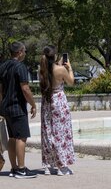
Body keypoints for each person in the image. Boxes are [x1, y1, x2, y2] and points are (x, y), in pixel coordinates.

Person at [0, 41, 37, 178]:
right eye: (25, 51)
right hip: (17, 107)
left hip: (5, 108)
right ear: (20, 52)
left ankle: (14, 168)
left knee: (12, 137)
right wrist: (33, 104)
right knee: (21, 137)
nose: (25, 54)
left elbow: (0, 89)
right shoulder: (20, 67)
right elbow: (25, 88)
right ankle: (21, 169)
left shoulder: (3, 66)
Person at [39, 45, 75, 176]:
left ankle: (48, 165)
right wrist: (69, 67)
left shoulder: (41, 70)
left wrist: (57, 64)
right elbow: (71, 81)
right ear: (54, 56)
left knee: (48, 132)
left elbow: (49, 73)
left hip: (46, 101)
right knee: (60, 133)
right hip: (58, 101)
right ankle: (62, 166)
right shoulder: (60, 70)